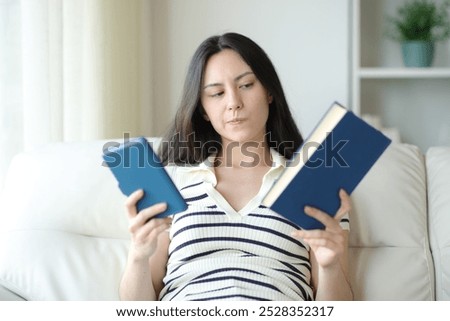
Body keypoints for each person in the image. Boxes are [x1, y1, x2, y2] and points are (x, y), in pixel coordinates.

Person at [119, 32, 353, 301]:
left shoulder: (315, 183)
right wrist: (138, 254)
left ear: (269, 92)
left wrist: (330, 266)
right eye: (217, 93)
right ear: (203, 110)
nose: (234, 103)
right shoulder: (173, 179)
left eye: (246, 85)